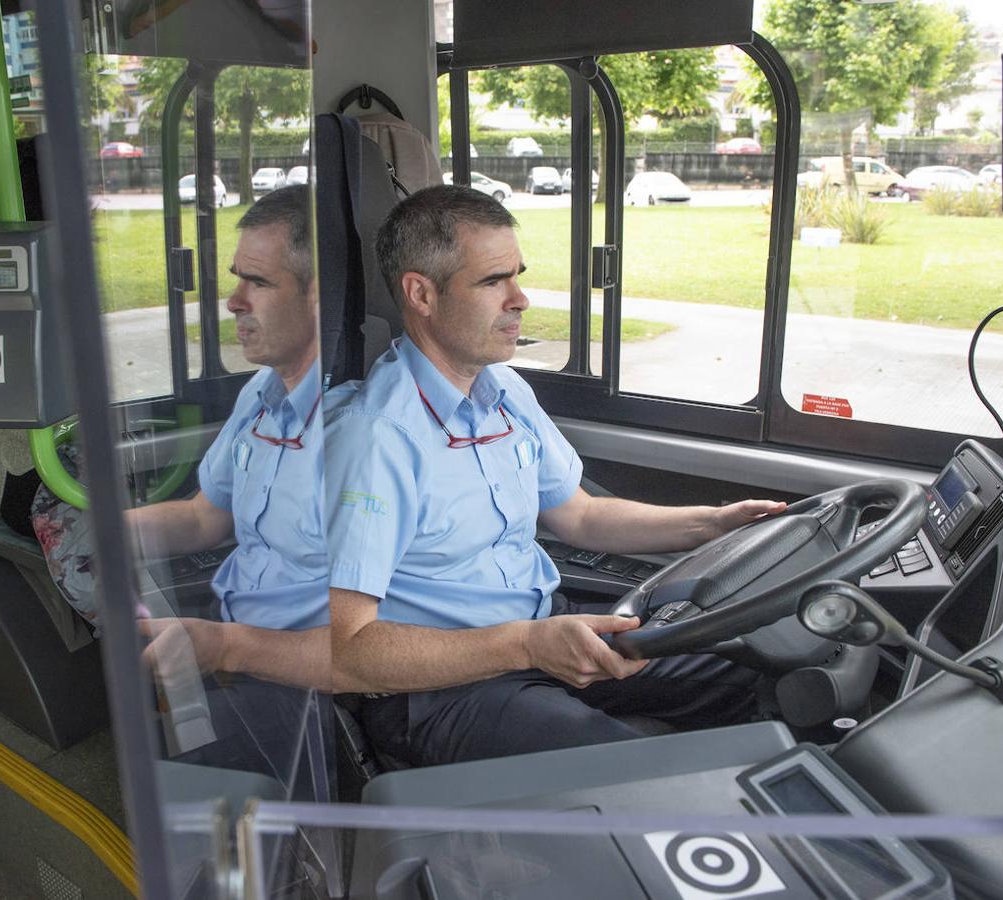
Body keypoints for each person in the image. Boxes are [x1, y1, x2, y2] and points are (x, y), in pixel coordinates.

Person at [323, 184, 785, 767]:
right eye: (493, 281)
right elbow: (347, 651)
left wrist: (716, 525)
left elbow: (582, 514)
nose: (519, 299)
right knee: (637, 772)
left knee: (748, 670)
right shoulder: (375, 438)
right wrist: (522, 645)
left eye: (517, 276)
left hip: (540, 633)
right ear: (421, 293)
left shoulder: (504, 391)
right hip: (438, 692)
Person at [123, 185, 331, 794]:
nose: (234, 302)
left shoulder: (362, 428)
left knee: (164, 794)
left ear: (320, 294)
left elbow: (376, 642)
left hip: (306, 677)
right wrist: (109, 529)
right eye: (237, 280)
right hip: (236, 638)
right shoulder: (262, 394)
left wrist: (222, 648)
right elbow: (203, 517)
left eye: (258, 283)